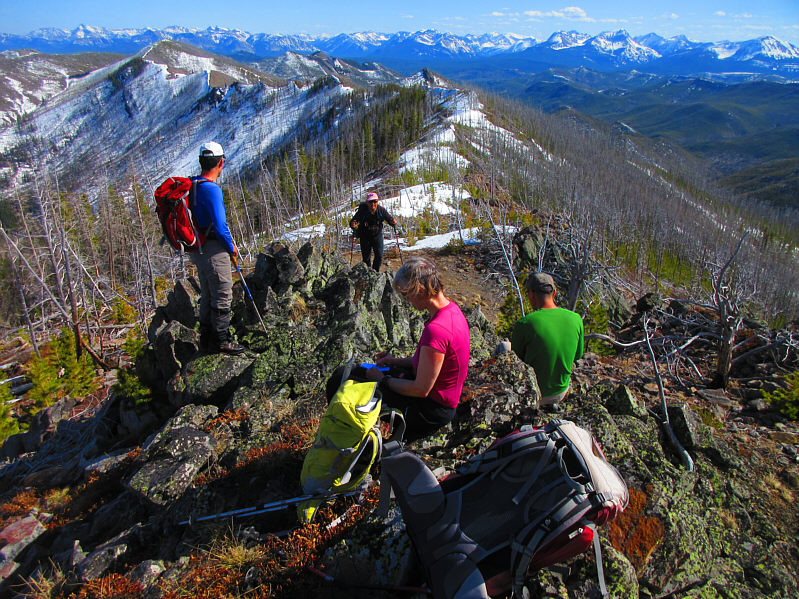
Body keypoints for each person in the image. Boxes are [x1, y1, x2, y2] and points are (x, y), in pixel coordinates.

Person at [362, 257, 471, 439]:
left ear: (419, 290)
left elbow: (421, 389)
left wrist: (382, 380)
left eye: (407, 295)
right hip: (440, 403)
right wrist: (394, 362)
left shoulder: (437, 330)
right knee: (371, 372)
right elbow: (432, 366)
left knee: (355, 382)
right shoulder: (452, 311)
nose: (408, 301)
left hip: (430, 410)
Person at [189, 141, 245, 355]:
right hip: (213, 248)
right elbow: (221, 225)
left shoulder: (193, 185)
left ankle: (206, 337)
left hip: (199, 249)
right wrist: (231, 247)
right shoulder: (211, 189)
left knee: (208, 293)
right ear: (221, 162)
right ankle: (222, 339)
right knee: (222, 293)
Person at [511, 273, 584, 412]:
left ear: (531, 294)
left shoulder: (525, 323)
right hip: (560, 392)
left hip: (533, 394)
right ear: (554, 293)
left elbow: (516, 361)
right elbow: (577, 355)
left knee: (503, 347)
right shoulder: (576, 318)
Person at [349, 192, 397, 271]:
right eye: (371, 202)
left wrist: (393, 222)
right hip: (365, 236)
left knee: (379, 256)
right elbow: (353, 221)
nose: (373, 204)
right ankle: (368, 274)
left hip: (377, 236)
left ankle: (375, 273)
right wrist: (353, 224)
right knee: (366, 258)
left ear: (378, 201)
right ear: (367, 202)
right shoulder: (362, 211)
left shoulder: (381, 210)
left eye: (375, 201)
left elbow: (389, 219)